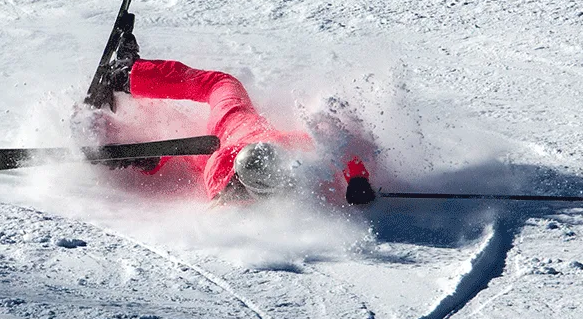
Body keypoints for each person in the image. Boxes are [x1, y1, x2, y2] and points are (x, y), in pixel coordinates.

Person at [99, 28, 376, 204]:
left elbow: (337, 150)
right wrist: (358, 180)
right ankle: (128, 75)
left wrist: (357, 179)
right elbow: (339, 149)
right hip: (230, 122)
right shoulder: (224, 165)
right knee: (220, 83)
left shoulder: (288, 147)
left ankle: (147, 155)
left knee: (186, 142)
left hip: (212, 153)